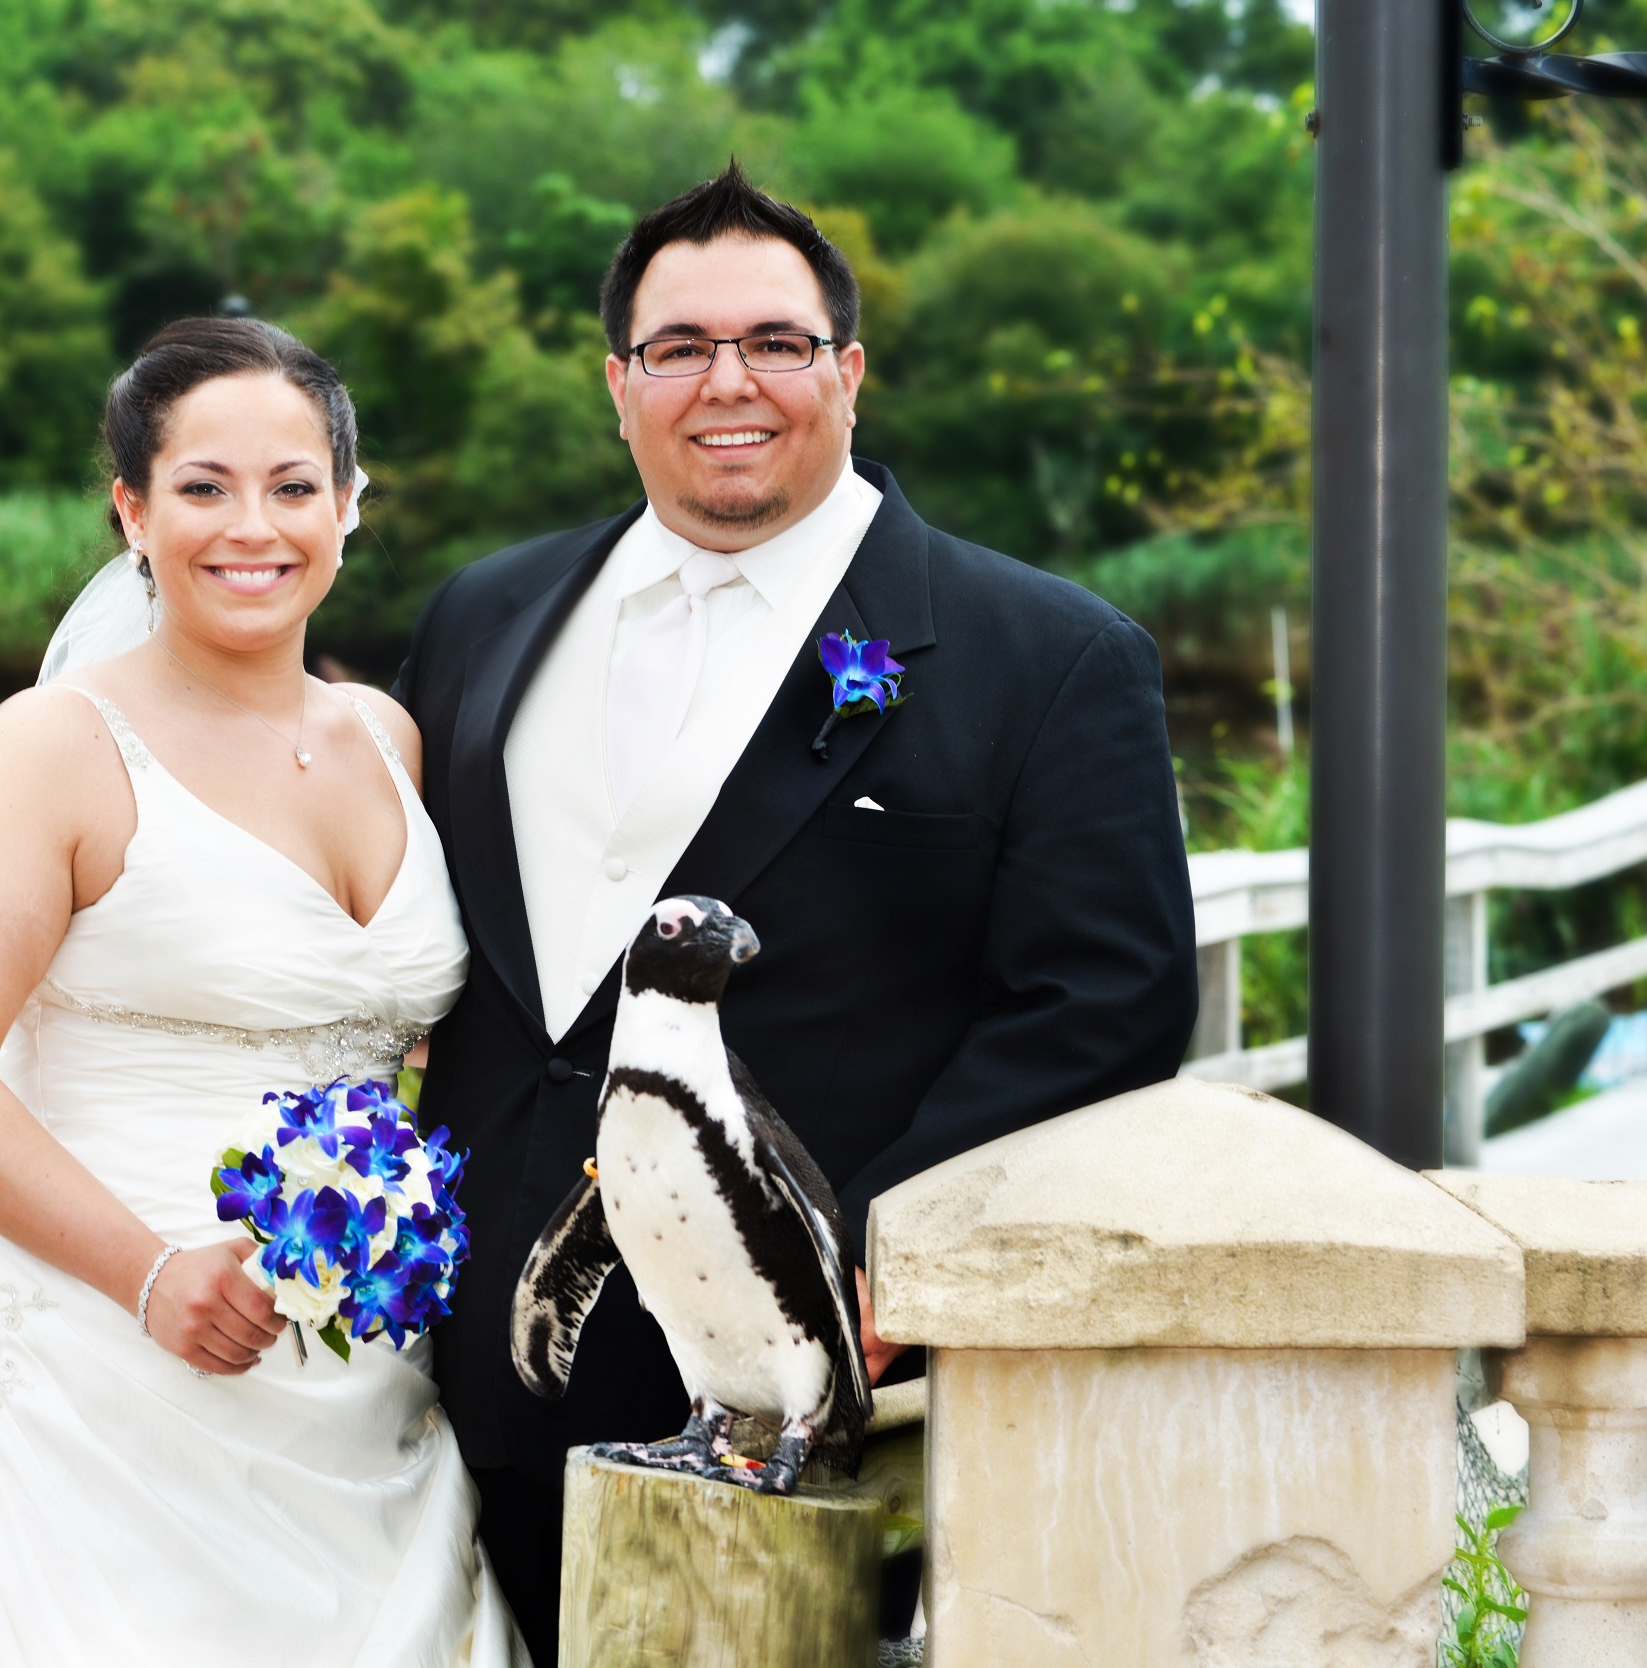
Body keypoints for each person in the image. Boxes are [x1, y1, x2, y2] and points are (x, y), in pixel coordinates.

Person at [392, 164, 1199, 1660]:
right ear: (619, 385)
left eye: (776, 340)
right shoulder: (479, 617)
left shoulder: (1049, 658)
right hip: (468, 1356)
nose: (730, 382)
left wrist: (868, 1248)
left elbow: (1109, 1004)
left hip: (794, 1384)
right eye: (681, 347)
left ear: (849, 370)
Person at [0, 317, 526, 1666]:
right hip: (96, 1373)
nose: (256, 526)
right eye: (203, 487)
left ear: (351, 508)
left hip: (358, 1377)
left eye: (296, 487)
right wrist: (151, 1276)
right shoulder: (53, 748)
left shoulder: (387, 738)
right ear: (132, 510)